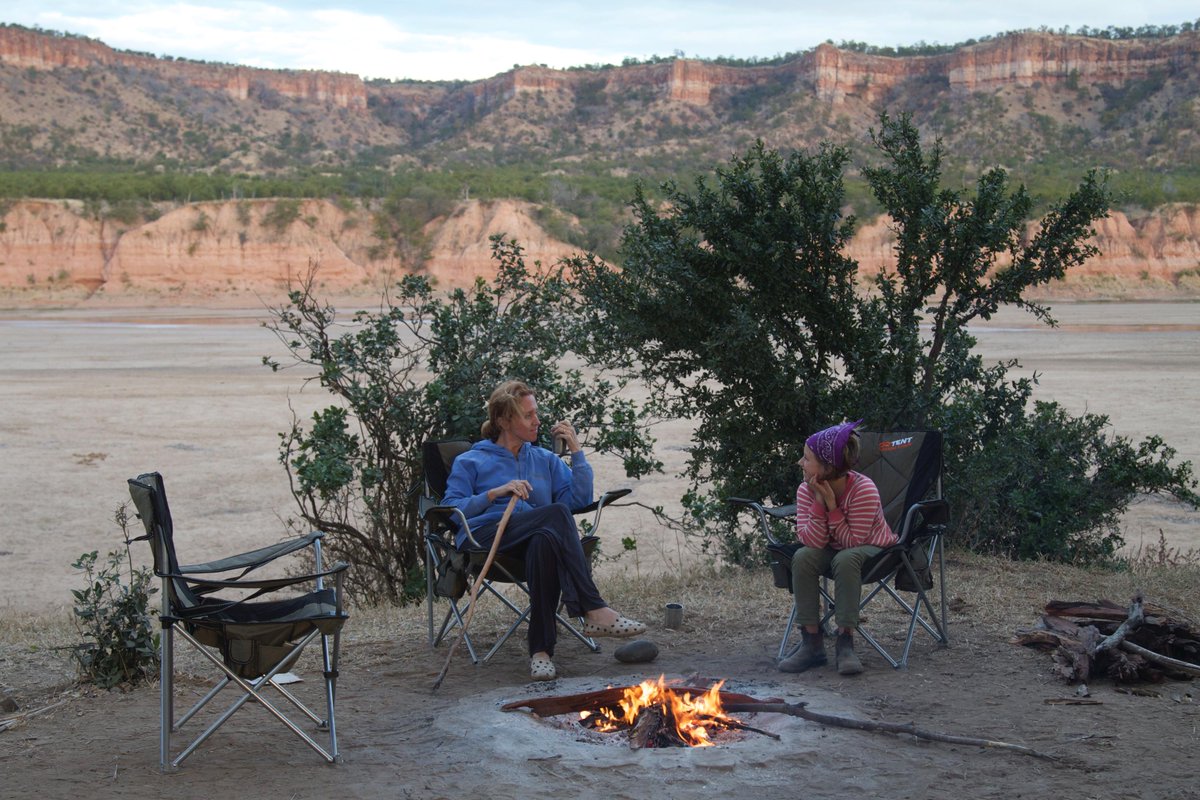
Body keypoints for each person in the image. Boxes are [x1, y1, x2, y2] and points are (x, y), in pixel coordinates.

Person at [441, 380, 646, 681]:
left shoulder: (545, 460)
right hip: (486, 540)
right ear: (503, 420)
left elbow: (577, 500)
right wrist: (495, 493)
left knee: (544, 542)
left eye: (536, 413)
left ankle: (541, 653)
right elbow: (451, 510)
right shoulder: (471, 460)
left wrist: (576, 452)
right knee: (553, 518)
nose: (537, 421)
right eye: (528, 415)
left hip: (533, 539)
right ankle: (593, 609)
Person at [779, 419, 897, 675]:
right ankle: (812, 643)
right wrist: (820, 502)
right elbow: (812, 541)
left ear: (827, 467)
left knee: (845, 558)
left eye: (806, 458)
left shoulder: (864, 489)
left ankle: (846, 642)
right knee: (803, 557)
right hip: (835, 548)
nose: (800, 463)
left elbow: (852, 542)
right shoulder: (805, 490)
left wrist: (833, 506)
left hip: (873, 549)